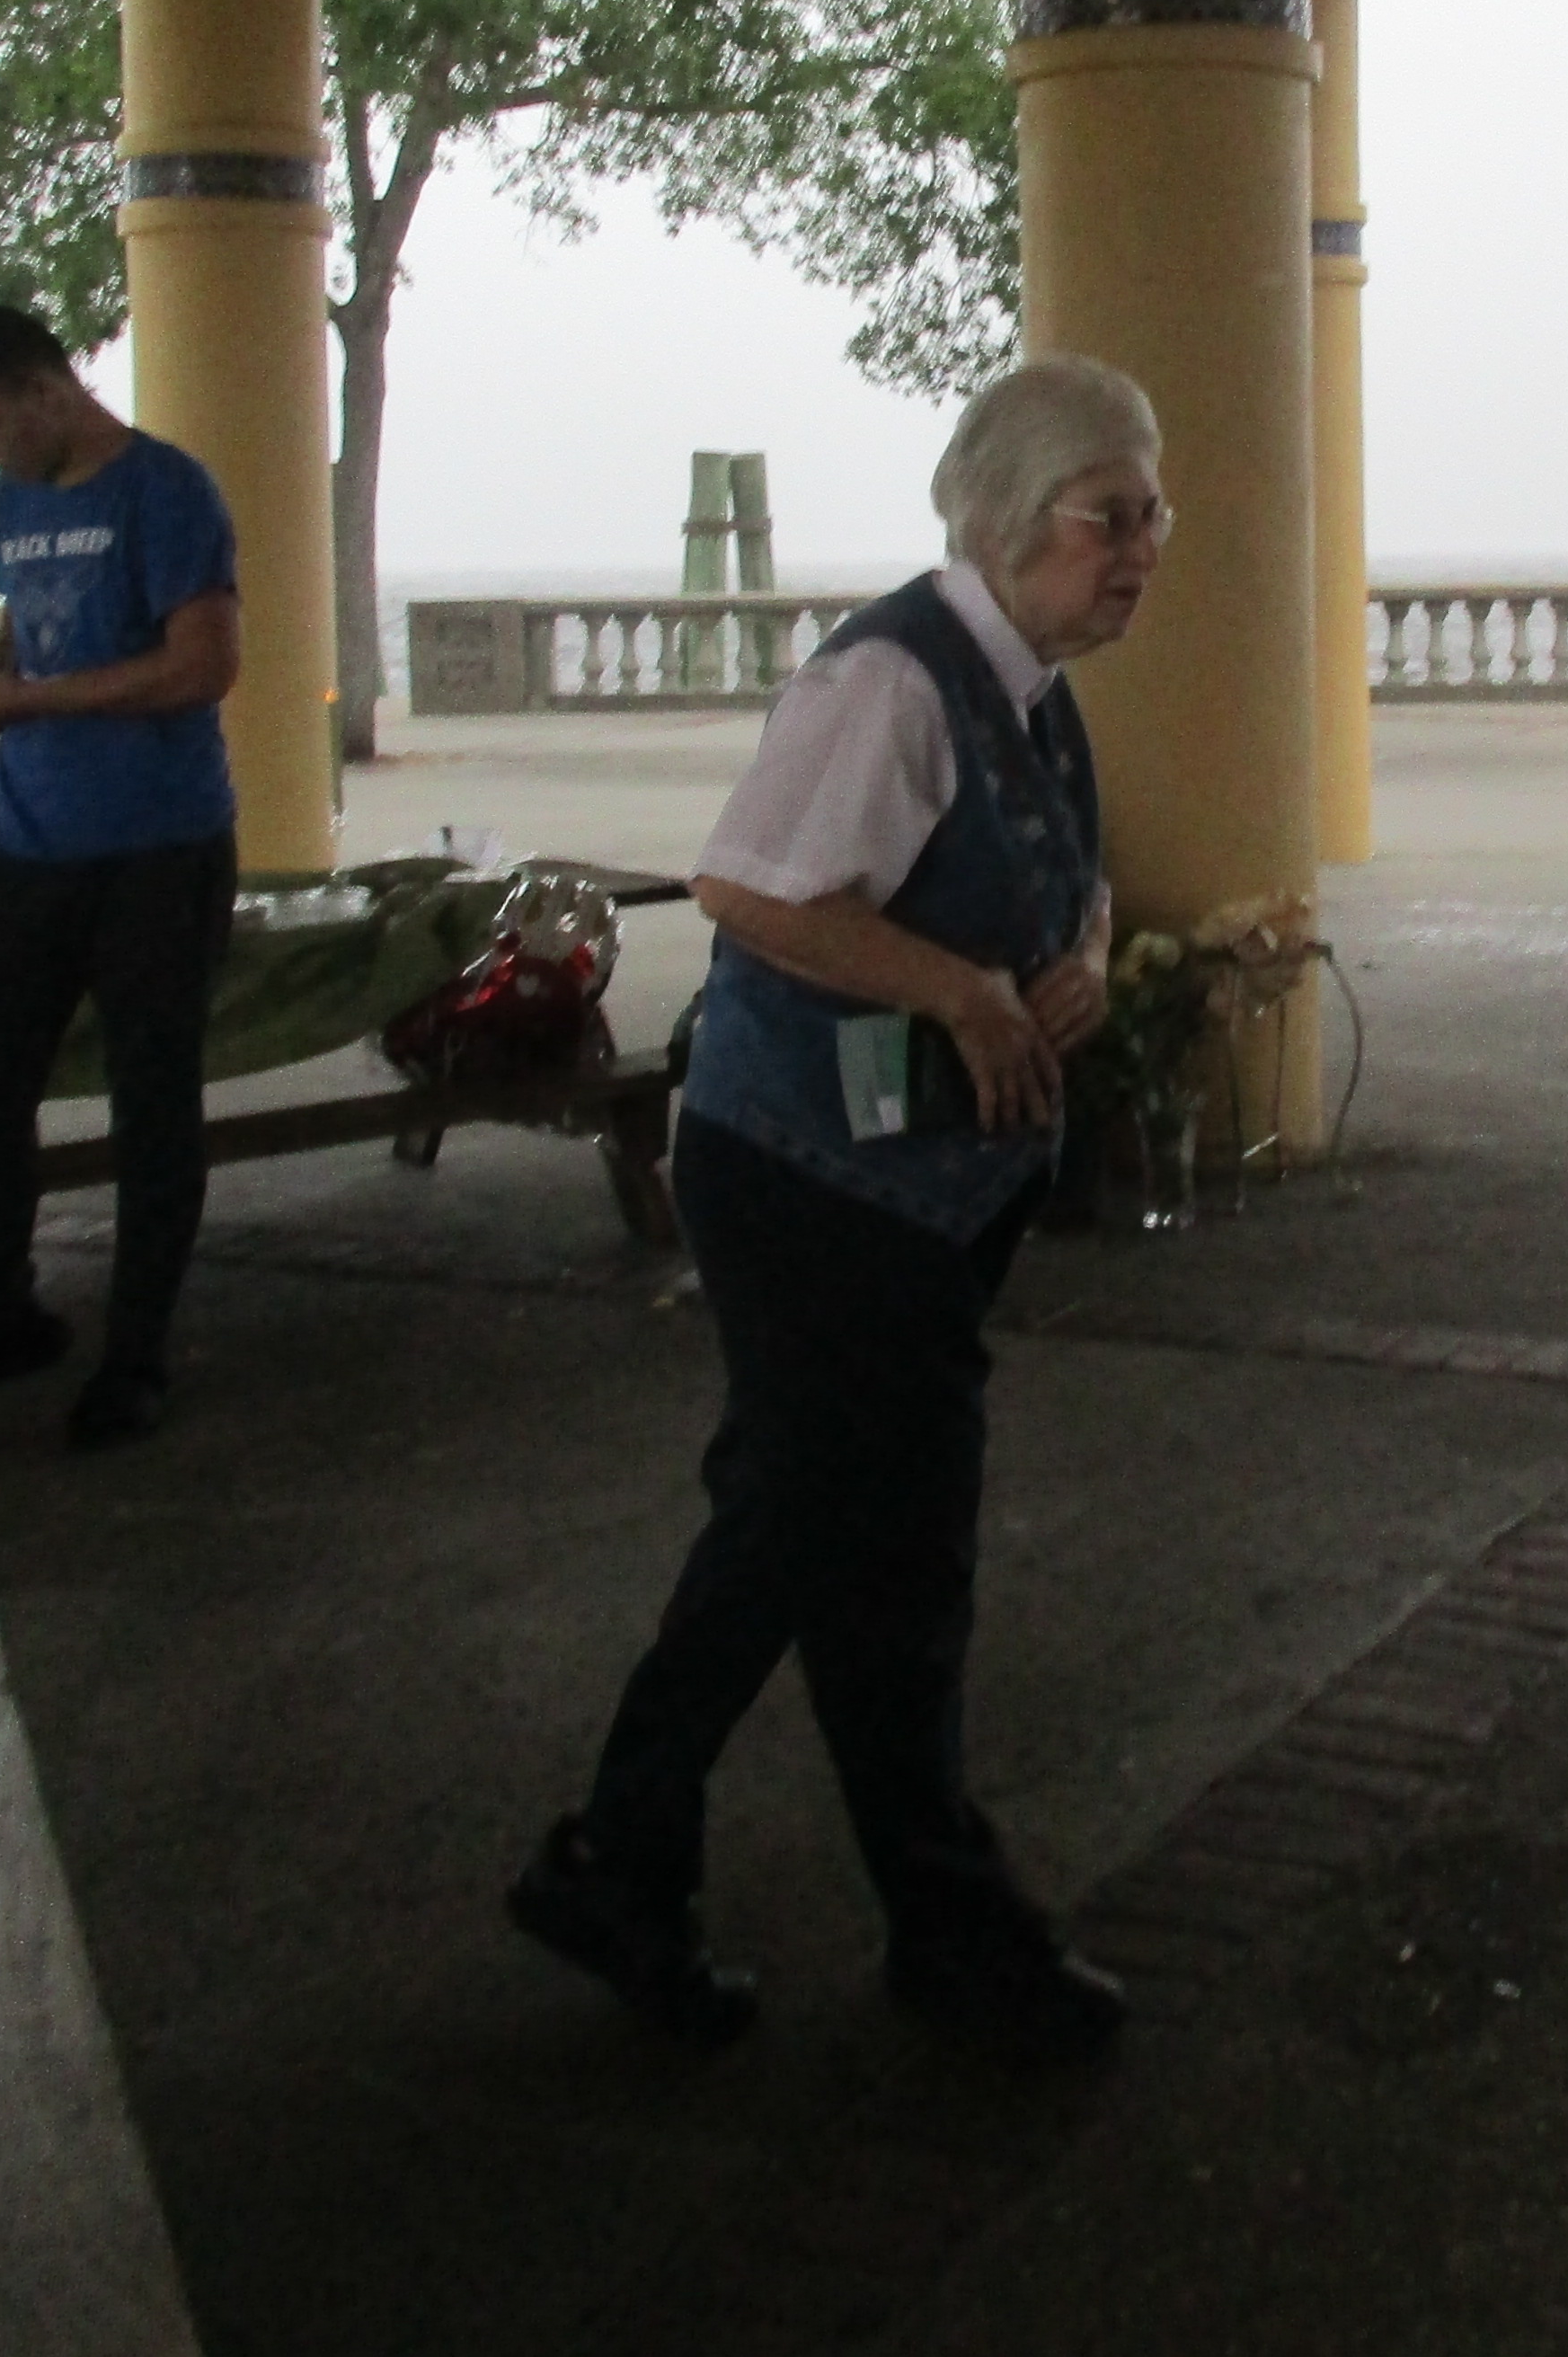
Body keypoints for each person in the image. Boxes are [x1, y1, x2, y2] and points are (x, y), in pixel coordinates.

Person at [509, 355, 1162, 2060]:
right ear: (1010, 518)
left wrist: (1080, 963)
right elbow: (749, 888)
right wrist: (961, 990)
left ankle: (654, 1867)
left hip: (917, 1194)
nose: (1142, 550)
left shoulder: (1031, 686)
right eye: (1112, 516)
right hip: (810, 1182)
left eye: (1153, 515)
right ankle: (899, 1914)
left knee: (822, 1534)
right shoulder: (890, 681)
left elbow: (1076, 875)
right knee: (862, 1545)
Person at [0, 301, 243, 1453]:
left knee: (151, 1101)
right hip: (23, 841)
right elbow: (24, 624)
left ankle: (136, 1355)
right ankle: (0, 1313)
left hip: (157, 846)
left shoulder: (166, 491)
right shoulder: (8, 503)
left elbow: (203, 666)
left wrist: (35, 701)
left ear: (48, 390)